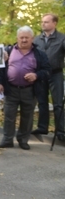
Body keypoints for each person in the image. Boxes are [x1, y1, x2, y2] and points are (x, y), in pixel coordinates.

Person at [0, 27, 50, 149]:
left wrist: (36, 75)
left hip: (29, 90)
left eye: (27, 37)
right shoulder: (7, 51)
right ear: (17, 38)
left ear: (32, 38)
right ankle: (7, 140)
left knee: (27, 117)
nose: (24, 40)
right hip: (11, 89)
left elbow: (47, 71)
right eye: (21, 37)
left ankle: (23, 140)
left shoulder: (40, 54)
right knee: (9, 116)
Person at [32, 13, 65, 141]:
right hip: (41, 74)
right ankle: (42, 127)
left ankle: (61, 130)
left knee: (57, 104)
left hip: (55, 73)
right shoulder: (37, 39)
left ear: (54, 23)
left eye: (46, 22)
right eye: (42, 21)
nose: (43, 24)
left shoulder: (61, 38)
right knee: (42, 103)